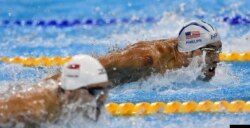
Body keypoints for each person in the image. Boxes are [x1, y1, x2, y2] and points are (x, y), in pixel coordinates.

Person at [48, 20, 222, 85]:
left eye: (218, 50)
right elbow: (90, 67)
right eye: (210, 51)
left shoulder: (184, 55)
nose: (217, 59)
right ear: (188, 52)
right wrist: (48, 85)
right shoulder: (146, 59)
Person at [0, 55, 110, 128]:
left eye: (106, 89)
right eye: (95, 92)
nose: (103, 98)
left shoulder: (65, 103)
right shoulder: (37, 110)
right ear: (70, 91)